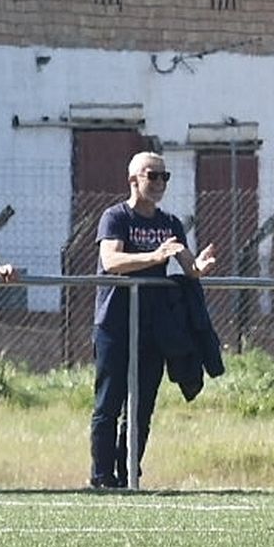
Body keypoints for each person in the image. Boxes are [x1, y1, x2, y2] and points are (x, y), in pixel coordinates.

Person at [90, 153, 217, 489]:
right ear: (133, 180)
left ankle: (129, 474)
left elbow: (188, 266)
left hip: (154, 326)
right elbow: (111, 261)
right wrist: (155, 256)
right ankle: (102, 477)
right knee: (108, 403)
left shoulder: (171, 223)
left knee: (141, 406)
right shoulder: (115, 217)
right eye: (153, 175)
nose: (160, 182)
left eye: (165, 176)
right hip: (115, 323)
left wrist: (200, 267)